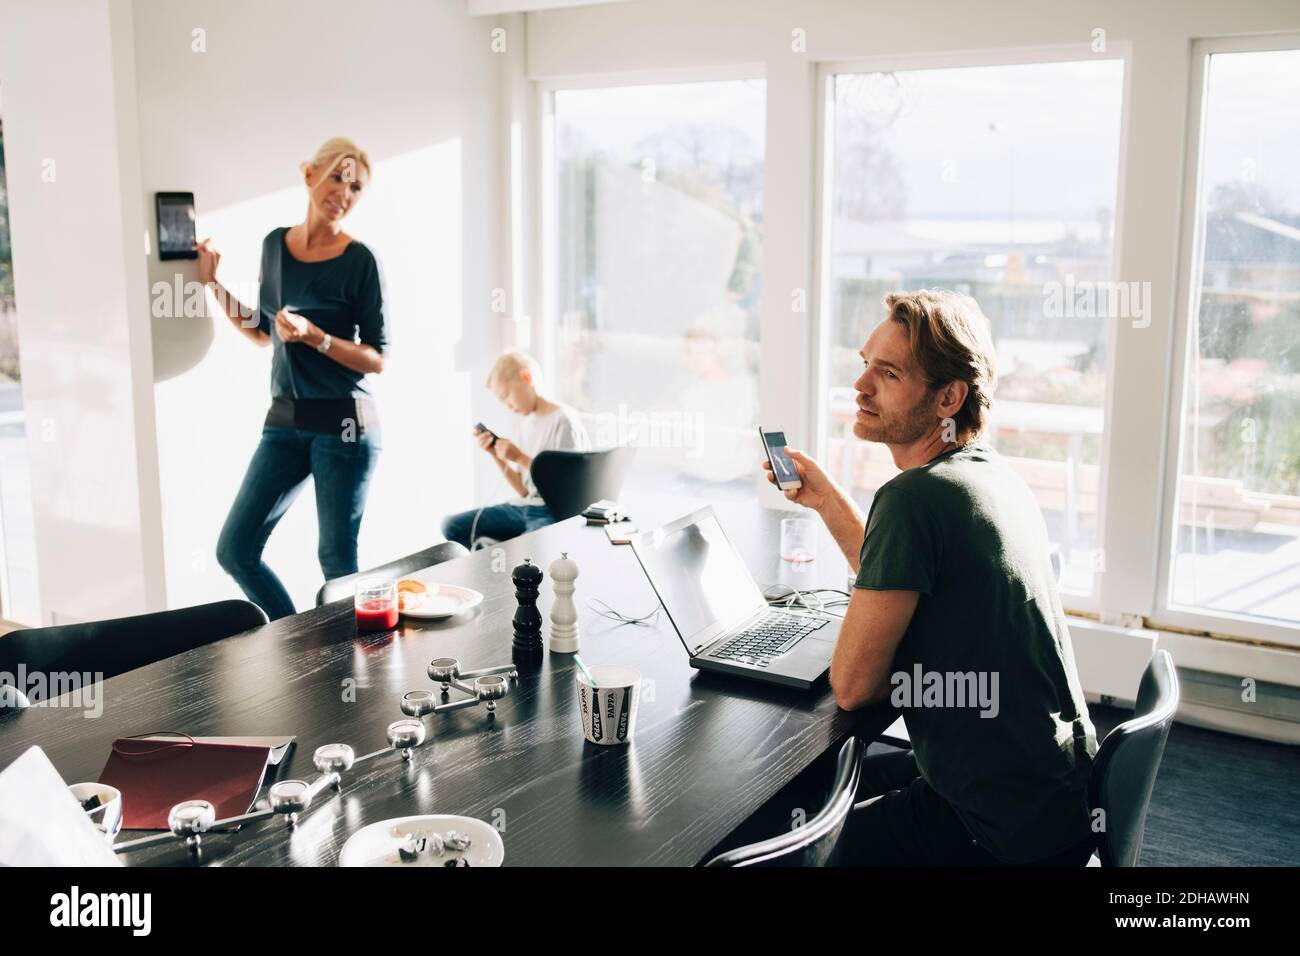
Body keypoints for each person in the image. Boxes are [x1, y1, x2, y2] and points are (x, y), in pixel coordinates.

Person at [764, 289, 1097, 866]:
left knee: (780, 841)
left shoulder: (914, 498)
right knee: (823, 786)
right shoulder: (989, 476)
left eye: (887, 373)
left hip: (990, 828)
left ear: (949, 396)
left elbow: (853, 686)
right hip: (1054, 792)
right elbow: (903, 572)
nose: (861, 385)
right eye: (864, 363)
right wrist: (828, 504)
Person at [198, 137, 388, 620]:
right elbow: (264, 332)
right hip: (284, 421)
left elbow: (376, 357)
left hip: (345, 425)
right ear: (310, 175)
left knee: (336, 562)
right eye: (337, 178)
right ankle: (297, 643)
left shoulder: (360, 261)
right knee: (235, 549)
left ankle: (351, 676)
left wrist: (318, 337)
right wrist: (213, 284)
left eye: (357, 187)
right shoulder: (274, 245)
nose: (344, 192)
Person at [441, 351, 589, 548]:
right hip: (523, 507)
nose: (507, 406)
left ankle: (498, 551)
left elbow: (565, 488)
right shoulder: (526, 425)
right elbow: (524, 490)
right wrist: (497, 456)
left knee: (529, 550)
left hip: (551, 511)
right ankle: (493, 550)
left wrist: (519, 457)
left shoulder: (563, 420)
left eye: (506, 396)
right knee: (452, 526)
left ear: (526, 378)